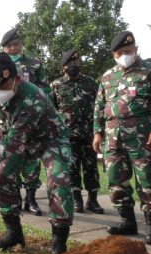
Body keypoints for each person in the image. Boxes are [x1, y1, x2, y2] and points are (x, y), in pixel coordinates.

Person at [0, 52, 73, 254]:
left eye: (2, 88)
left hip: (50, 140)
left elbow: (11, 144)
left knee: (58, 181)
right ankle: (14, 232)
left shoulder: (31, 98)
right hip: (20, 140)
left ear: (15, 78)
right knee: (0, 176)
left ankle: (59, 240)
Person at [93, 31, 151, 245]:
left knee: (148, 181)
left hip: (143, 138)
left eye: (128, 51)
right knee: (117, 181)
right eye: (119, 53)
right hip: (113, 138)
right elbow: (99, 106)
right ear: (113, 55)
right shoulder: (108, 77)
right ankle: (127, 221)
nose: (124, 55)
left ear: (135, 49)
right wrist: (97, 132)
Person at [0, 28, 52, 216]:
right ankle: (14, 199)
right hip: (8, 122)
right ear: (3, 48)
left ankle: (31, 199)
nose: (13, 48)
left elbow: (46, 92)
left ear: (21, 44)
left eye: (16, 44)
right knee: (9, 160)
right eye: (9, 46)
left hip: (32, 121)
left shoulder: (34, 64)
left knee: (32, 161)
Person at [51, 49, 103, 214]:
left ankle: (93, 200)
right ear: (63, 67)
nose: (73, 66)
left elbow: (98, 107)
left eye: (76, 62)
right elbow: (52, 111)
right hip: (68, 135)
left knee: (91, 168)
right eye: (69, 64)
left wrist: (99, 131)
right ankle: (77, 199)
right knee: (72, 168)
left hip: (89, 134)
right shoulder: (56, 85)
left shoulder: (89, 82)